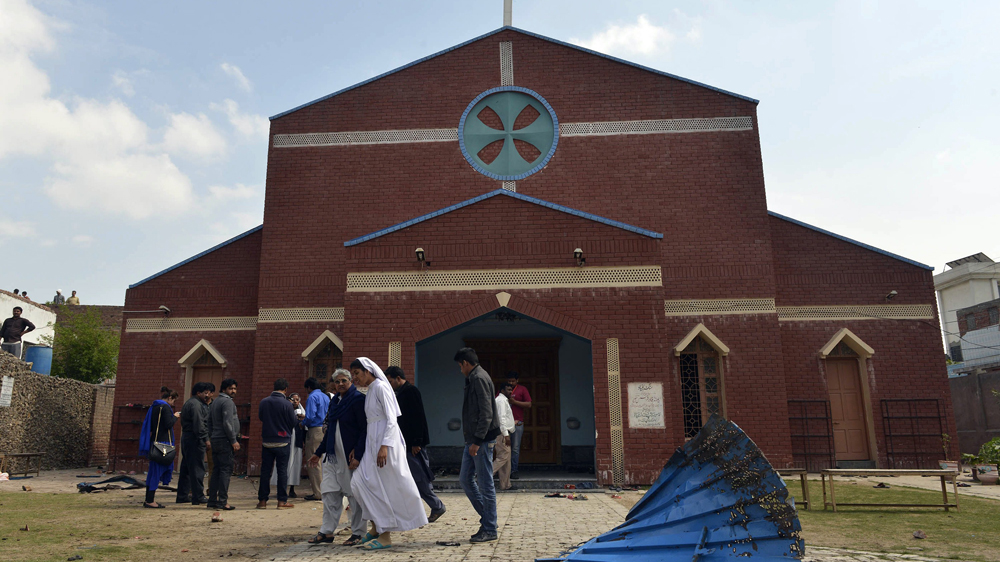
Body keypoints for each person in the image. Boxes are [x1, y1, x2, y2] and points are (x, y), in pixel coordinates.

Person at [349, 358, 428, 550]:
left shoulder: (382, 387)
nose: (355, 378)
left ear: (368, 371)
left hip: (386, 443)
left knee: (380, 487)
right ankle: (376, 527)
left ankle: (385, 535)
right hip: (372, 442)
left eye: (357, 374)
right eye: (353, 375)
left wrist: (384, 445)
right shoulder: (370, 391)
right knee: (359, 483)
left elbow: (392, 419)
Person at [306, 368, 368, 546]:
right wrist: (318, 453)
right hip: (332, 457)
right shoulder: (335, 402)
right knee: (329, 493)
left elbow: (364, 429)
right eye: (337, 381)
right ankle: (327, 531)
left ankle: (358, 532)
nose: (340, 384)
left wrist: (359, 452)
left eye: (344, 380)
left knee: (354, 495)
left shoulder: (357, 400)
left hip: (350, 457)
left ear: (351, 381)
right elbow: (330, 431)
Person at [385, 366, 446, 522]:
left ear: (398, 378)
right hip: (404, 443)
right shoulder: (399, 393)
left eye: (391, 381)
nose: (390, 384)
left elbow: (418, 418)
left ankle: (437, 506)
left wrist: (417, 442)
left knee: (419, 478)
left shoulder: (411, 391)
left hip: (413, 445)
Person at [455, 347, 502, 543]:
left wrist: (477, 441)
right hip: (473, 439)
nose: (460, 370)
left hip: (481, 440)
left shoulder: (479, 378)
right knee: (465, 479)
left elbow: (486, 413)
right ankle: (489, 520)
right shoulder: (474, 377)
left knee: (485, 484)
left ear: (465, 363)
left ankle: (490, 528)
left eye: (460, 366)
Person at [257, 378, 298, 510]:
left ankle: (262, 501)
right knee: (282, 471)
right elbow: (293, 422)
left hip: (267, 441)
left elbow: (261, 417)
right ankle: (281, 501)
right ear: (285, 389)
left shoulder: (264, 401)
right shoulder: (287, 404)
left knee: (265, 472)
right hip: (282, 441)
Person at [139, 386, 180, 508]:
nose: (173, 404)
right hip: (163, 443)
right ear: (170, 398)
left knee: (153, 472)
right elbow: (168, 424)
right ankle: (150, 500)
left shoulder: (154, 407)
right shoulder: (165, 407)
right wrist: (175, 417)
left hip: (154, 442)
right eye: (174, 401)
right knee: (158, 471)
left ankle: (149, 499)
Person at [207, 378, 240, 510]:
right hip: (225, 441)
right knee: (225, 471)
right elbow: (227, 422)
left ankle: (212, 501)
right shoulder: (227, 402)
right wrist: (233, 440)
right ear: (224, 389)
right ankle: (222, 502)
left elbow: (209, 422)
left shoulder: (215, 402)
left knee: (216, 470)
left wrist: (211, 435)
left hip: (216, 439)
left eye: (235, 388)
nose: (233, 391)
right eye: (231, 388)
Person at [176, 382, 212, 505]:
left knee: (186, 468)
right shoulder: (196, 405)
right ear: (198, 393)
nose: (207, 395)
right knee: (197, 468)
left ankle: (182, 495)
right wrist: (206, 439)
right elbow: (199, 425)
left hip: (187, 438)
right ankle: (198, 496)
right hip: (195, 439)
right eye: (205, 393)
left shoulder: (190, 403)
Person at [302, 377, 330, 500]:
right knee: (323, 462)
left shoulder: (312, 397)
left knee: (313, 462)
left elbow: (311, 416)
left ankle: (318, 492)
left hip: (314, 430)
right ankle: (325, 490)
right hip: (325, 429)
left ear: (309, 387)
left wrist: (302, 423)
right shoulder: (325, 396)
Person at [271, 392, 305, 497]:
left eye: (297, 400)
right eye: (292, 399)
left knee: (295, 465)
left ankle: (292, 488)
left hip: (296, 442)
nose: (295, 401)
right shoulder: (285, 410)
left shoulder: (302, 412)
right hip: (285, 440)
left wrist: (302, 420)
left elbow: (305, 428)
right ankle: (281, 489)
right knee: (283, 464)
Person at [506, 371, 532, 480]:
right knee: (504, 449)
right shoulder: (504, 389)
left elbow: (529, 404)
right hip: (505, 424)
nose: (511, 383)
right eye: (509, 381)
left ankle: (514, 470)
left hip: (518, 423)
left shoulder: (522, 389)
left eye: (513, 381)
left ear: (517, 381)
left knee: (515, 448)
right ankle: (504, 471)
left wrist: (515, 402)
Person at [493, 383, 517, 491]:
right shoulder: (501, 401)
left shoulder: (502, 400)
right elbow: (501, 419)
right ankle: (484, 475)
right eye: (508, 390)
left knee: (506, 461)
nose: (511, 392)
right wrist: (506, 435)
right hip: (502, 433)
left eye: (511, 390)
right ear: (502, 390)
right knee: (503, 456)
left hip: (504, 432)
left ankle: (506, 485)